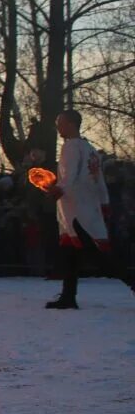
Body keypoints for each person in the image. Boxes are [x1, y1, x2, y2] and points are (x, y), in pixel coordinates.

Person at [44, 110, 135, 309]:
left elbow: (69, 175)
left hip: (75, 209)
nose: (57, 126)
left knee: (96, 255)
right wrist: (103, 202)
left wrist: (58, 189)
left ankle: (130, 279)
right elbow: (98, 180)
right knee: (70, 252)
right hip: (87, 206)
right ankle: (68, 295)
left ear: (70, 124)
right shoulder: (90, 149)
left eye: (60, 122)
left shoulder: (70, 147)